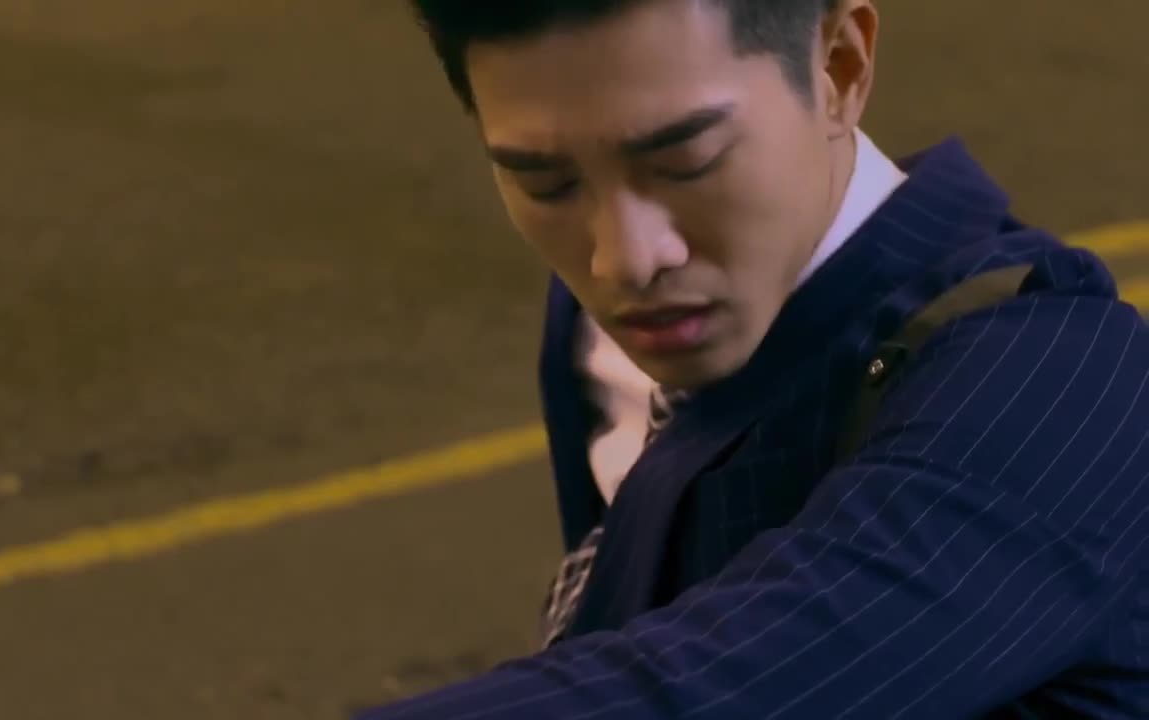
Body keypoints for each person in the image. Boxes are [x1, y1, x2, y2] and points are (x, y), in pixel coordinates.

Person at [362, 0, 1149, 717]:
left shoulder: (1064, 383)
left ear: (840, 65)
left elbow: (715, 688)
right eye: (547, 184)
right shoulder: (607, 325)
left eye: (687, 162)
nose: (624, 259)